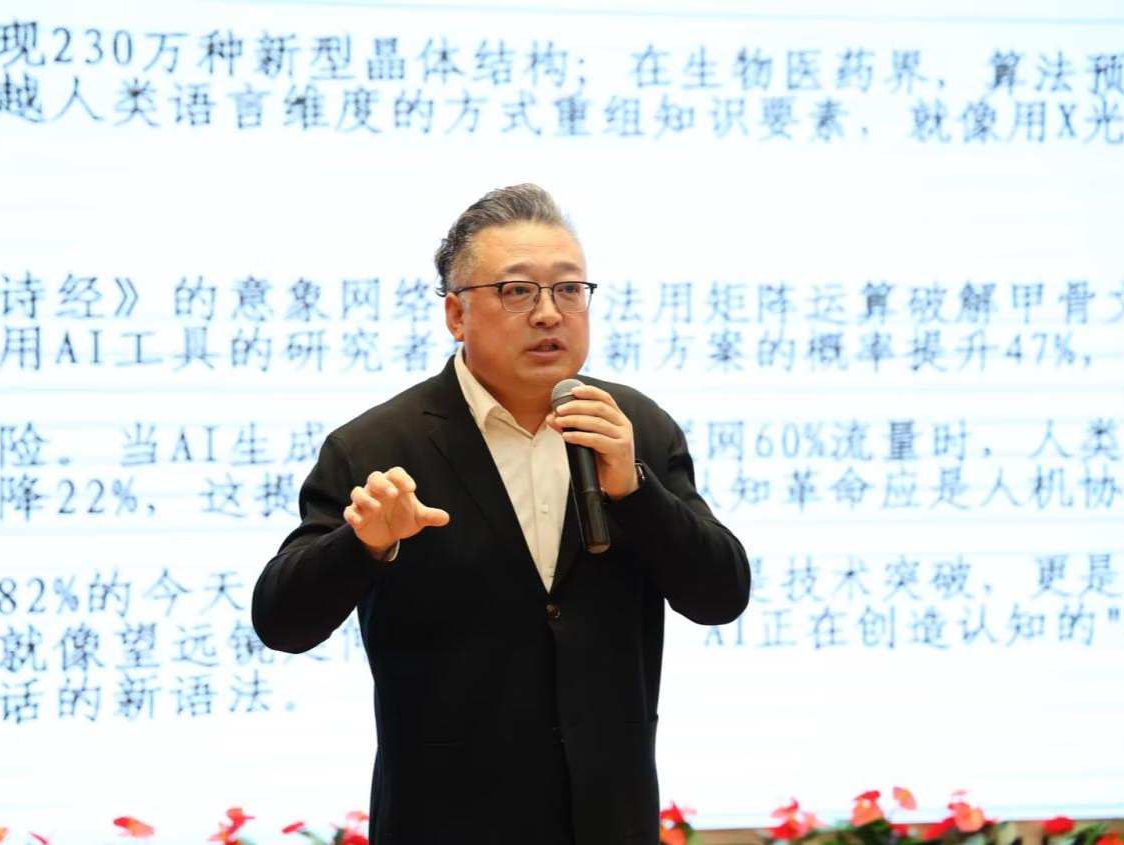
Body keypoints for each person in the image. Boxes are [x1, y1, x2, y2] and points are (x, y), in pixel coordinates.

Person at [251, 184, 750, 845]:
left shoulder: (634, 429)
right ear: (456, 314)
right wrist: (361, 545)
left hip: (608, 818)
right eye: (518, 291)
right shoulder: (376, 447)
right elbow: (281, 623)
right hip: (447, 821)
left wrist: (635, 491)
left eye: (569, 289)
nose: (549, 313)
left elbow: (721, 595)